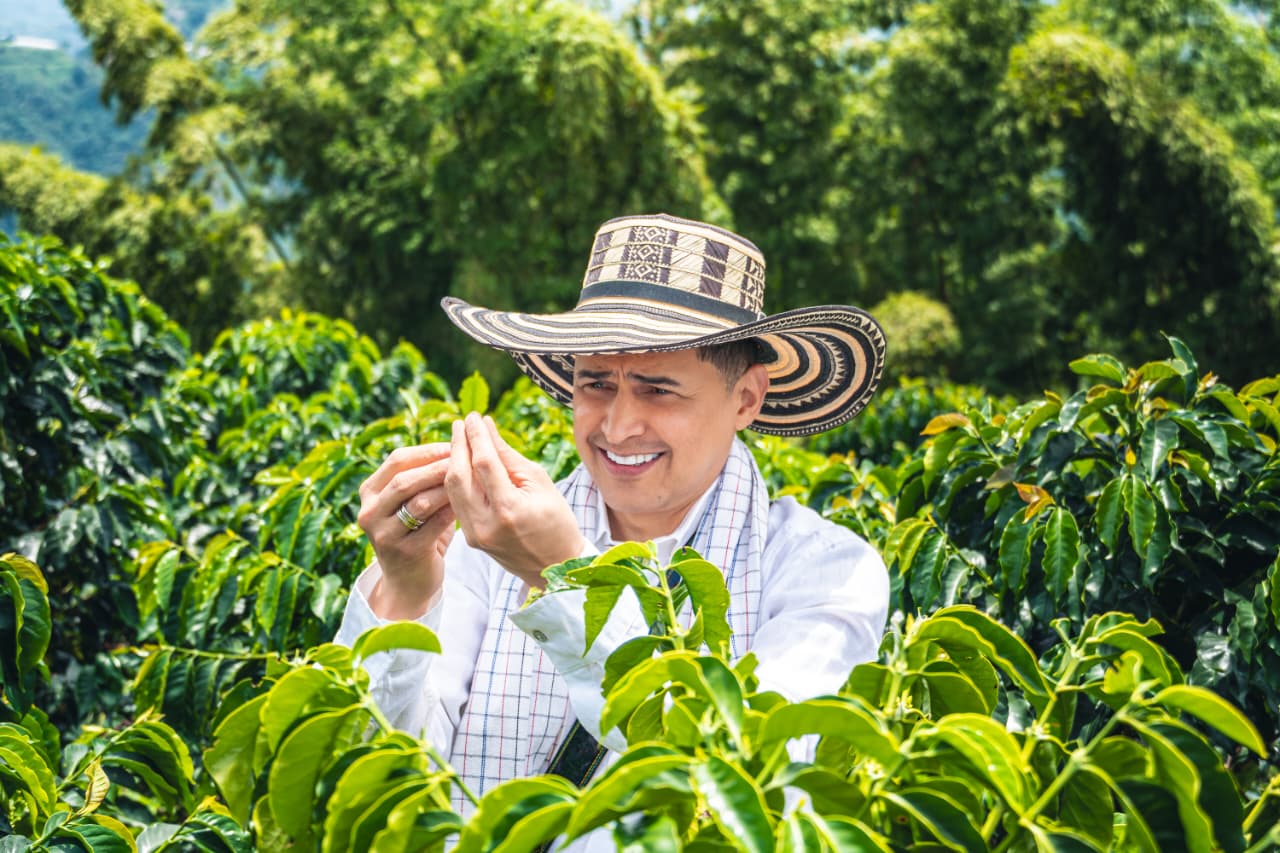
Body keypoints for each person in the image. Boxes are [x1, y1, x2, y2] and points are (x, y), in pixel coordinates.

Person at [335, 213, 890, 823]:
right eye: (596, 384)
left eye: (659, 390)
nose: (618, 427)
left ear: (746, 398)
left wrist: (566, 576)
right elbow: (383, 780)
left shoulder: (821, 572)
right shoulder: (485, 546)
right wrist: (405, 591)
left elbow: (756, 790)